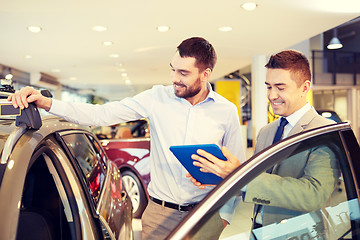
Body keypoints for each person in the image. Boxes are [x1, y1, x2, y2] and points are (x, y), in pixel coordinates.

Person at [9, 37, 246, 239]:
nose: (174, 78)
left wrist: (225, 216)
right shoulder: (157, 98)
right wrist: (47, 103)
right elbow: (102, 113)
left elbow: (237, 168)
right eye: (173, 68)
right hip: (159, 216)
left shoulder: (226, 111)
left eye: (183, 73)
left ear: (205, 74)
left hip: (205, 213)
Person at [190, 49, 340, 229]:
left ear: (305, 88)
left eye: (280, 87)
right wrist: (219, 176)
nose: (271, 95)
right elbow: (256, 184)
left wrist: (239, 176)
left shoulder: (325, 132)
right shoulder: (266, 132)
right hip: (259, 231)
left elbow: (313, 195)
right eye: (269, 86)